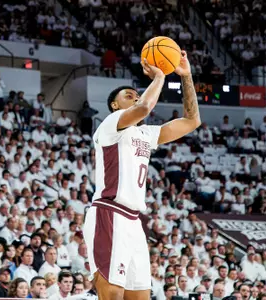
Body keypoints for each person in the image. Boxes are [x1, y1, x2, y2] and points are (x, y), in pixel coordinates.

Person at [83, 53, 201, 300]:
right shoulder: (110, 124)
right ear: (115, 105)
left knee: (140, 297)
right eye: (129, 96)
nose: (136, 98)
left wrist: (186, 76)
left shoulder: (147, 133)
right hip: (109, 212)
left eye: (136, 95)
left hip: (134, 221)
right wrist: (160, 76)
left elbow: (192, 121)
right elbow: (145, 107)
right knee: (112, 295)